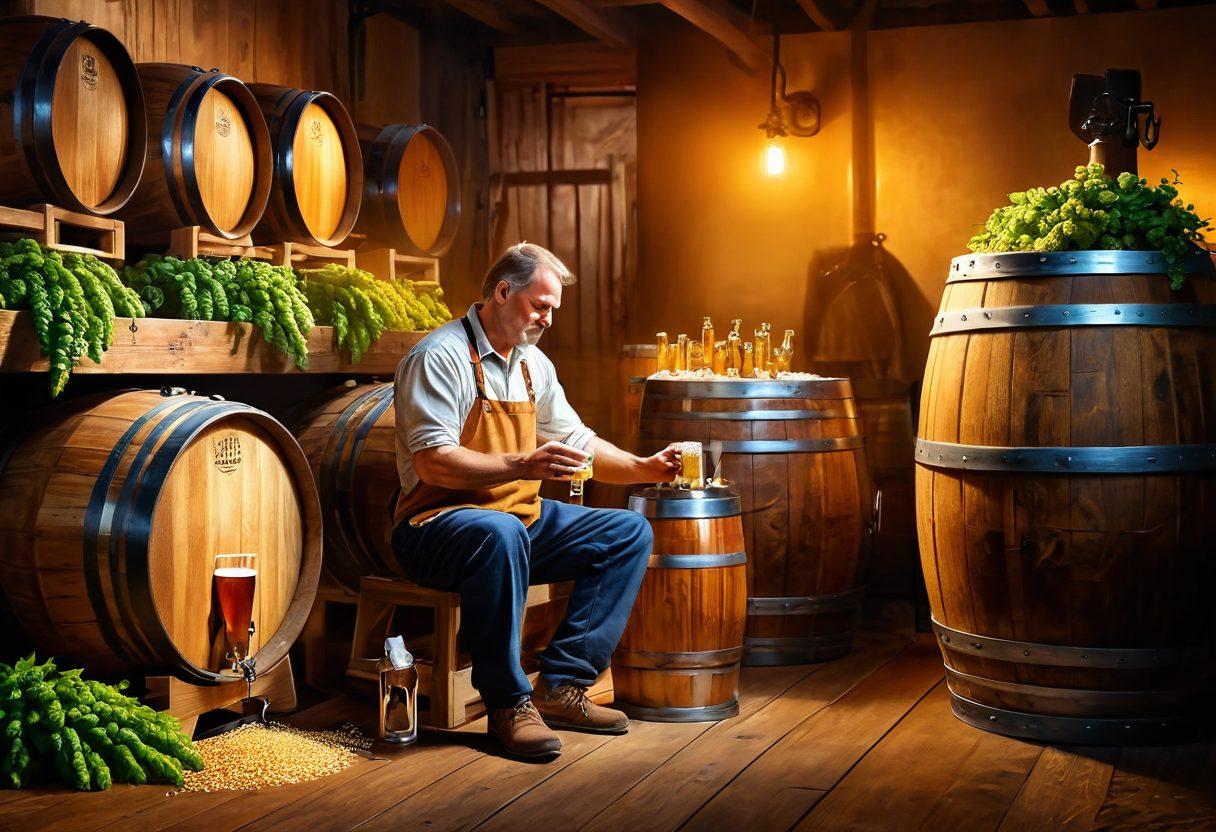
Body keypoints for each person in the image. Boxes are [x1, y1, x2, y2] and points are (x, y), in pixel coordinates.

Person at [391, 242, 679, 759]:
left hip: (517, 521)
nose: (547, 318)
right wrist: (523, 465)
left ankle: (563, 686)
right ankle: (507, 705)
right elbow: (434, 462)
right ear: (503, 291)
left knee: (627, 531)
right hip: (437, 524)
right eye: (540, 305)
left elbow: (578, 440)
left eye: (552, 309)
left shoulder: (532, 365)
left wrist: (643, 467)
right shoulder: (439, 356)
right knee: (499, 532)